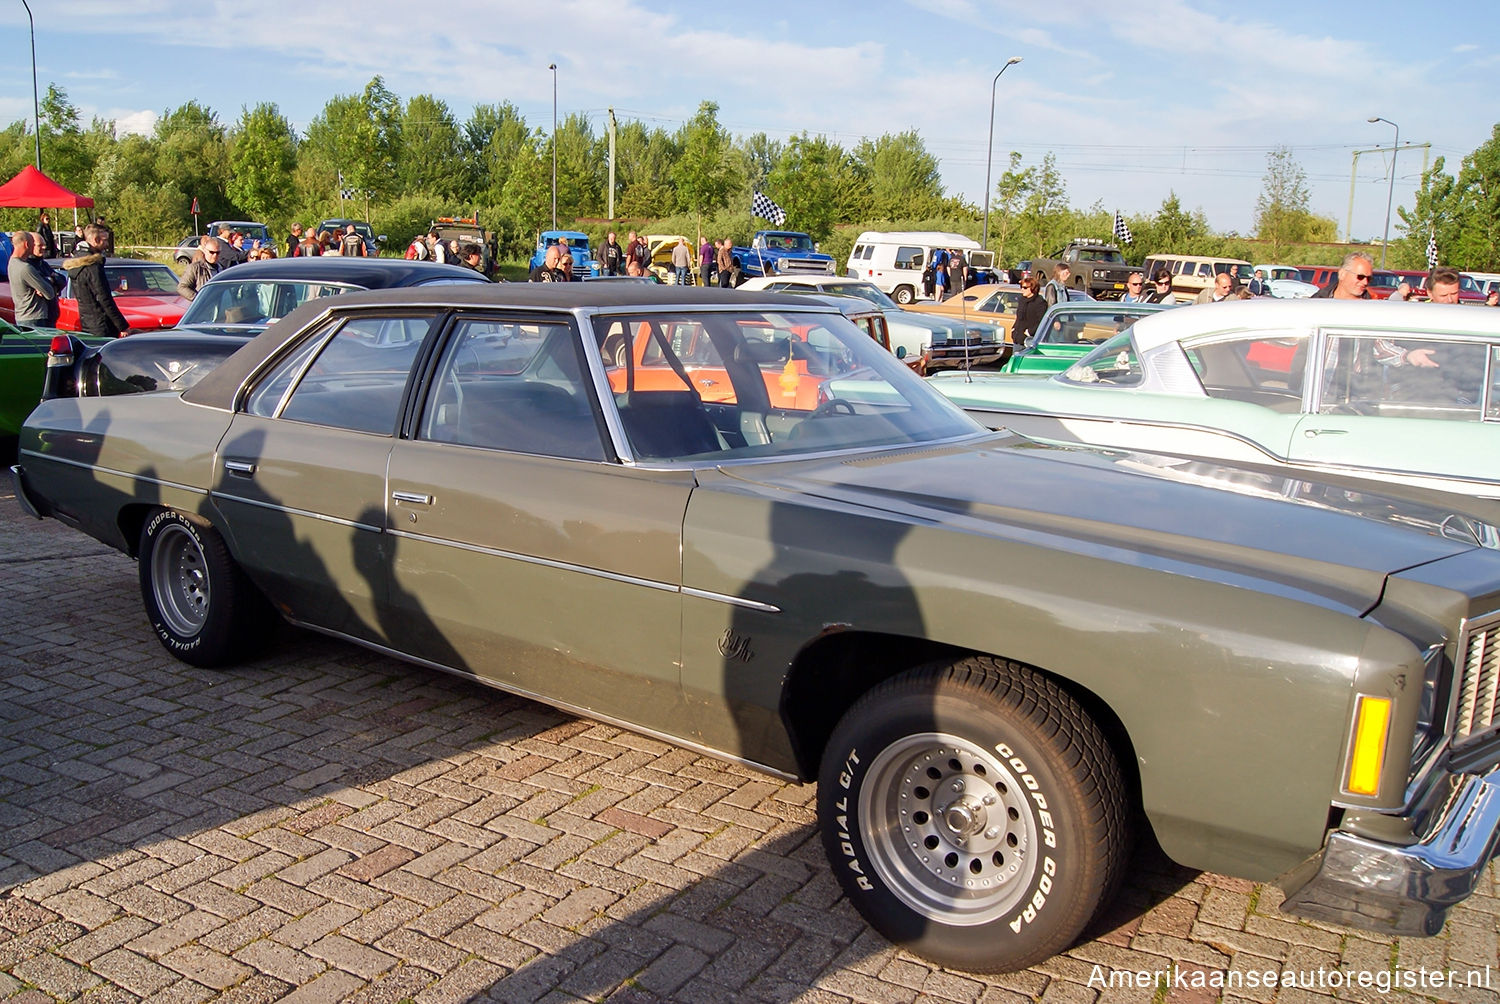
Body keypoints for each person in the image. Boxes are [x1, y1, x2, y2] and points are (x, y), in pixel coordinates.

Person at [62, 224, 129, 339]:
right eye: (105, 240)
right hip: (102, 324)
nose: (107, 245)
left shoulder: (76, 263)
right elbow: (104, 298)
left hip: (87, 321)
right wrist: (122, 326)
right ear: (96, 240)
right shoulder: (93, 266)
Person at [8, 232, 57, 327]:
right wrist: (49, 282)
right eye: (32, 243)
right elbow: (49, 293)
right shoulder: (25, 268)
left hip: (22, 316)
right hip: (34, 317)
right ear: (26, 244)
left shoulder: (12, 263)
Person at [176, 235, 223, 301]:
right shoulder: (195, 268)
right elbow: (181, 287)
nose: (215, 255)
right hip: (202, 307)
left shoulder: (221, 268)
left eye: (217, 253)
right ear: (205, 251)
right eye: (211, 252)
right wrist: (198, 299)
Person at [1013, 275, 1046, 349]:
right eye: (1021, 287)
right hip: (1017, 338)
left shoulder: (1040, 302)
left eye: (1025, 288)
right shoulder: (1022, 300)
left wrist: (1029, 332)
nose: (1022, 289)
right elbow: (1019, 318)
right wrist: (1014, 329)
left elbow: (1042, 321)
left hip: (1030, 340)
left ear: (1033, 288)